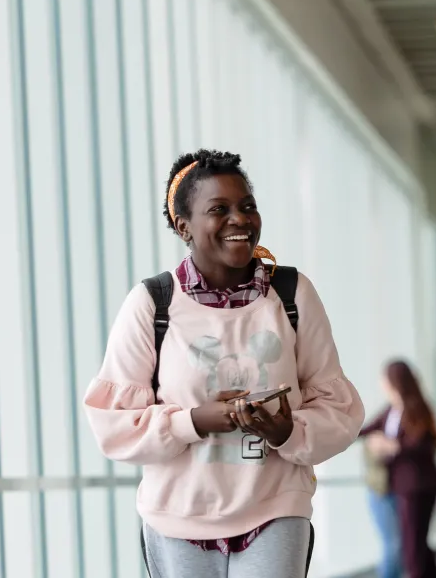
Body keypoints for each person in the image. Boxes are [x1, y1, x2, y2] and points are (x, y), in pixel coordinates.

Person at [83, 149, 365, 578]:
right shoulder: (152, 304)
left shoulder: (291, 295)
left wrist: (288, 431)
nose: (240, 219)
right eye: (219, 209)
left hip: (275, 507)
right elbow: (114, 425)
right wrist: (194, 421)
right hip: (176, 519)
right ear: (184, 227)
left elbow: (339, 409)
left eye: (247, 206)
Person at [359, 360, 436, 578]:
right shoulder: (391, 410)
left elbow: (425, 443)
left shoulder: (418, 408)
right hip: (403, 486)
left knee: (413, 546)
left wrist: (392, 446)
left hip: (419, 486)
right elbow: (366, 429)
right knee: (416, 543)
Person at [362, 407, 402, 578]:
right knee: (392, 544)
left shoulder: (402, 420)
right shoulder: (385, 417)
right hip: (380, 494)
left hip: (396, 493)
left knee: (399, 544)